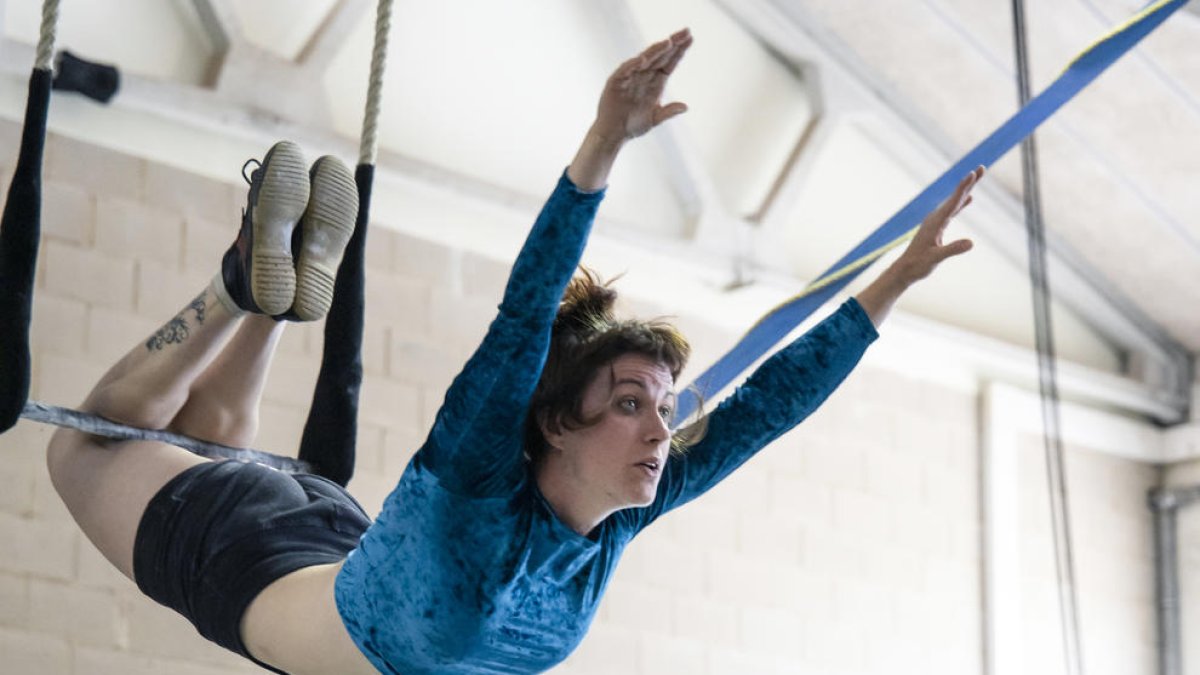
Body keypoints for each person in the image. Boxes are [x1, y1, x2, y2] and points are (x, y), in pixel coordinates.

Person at [45, 29, 982, 675]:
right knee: (81, 447)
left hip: (325, 549)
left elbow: (767, 409)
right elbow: (526, 312)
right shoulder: (476, 471)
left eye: (664, 407)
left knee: (194, 442)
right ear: (555, 423)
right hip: (258, 553)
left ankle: (262, 291)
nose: (663, 431)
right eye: (631, 403)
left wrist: (896, 283)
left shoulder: (613, 524)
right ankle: (243, 291)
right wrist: (602, 145)